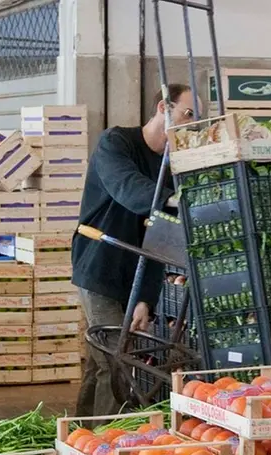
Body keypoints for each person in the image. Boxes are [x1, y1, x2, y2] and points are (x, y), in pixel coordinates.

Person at [71, 83, 201, 417]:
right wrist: (177, 199)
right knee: (117, 361)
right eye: (188, 115)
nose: (191, 125)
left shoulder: (173, 165)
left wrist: (146, 296)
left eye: (197, 120)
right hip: (100, 262)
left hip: (138, 269)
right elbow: (128, 189)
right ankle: (106, 445)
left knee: (102, 357)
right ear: (163, 107)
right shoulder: (116, 143)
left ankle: (78, 437)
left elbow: (163, 237)